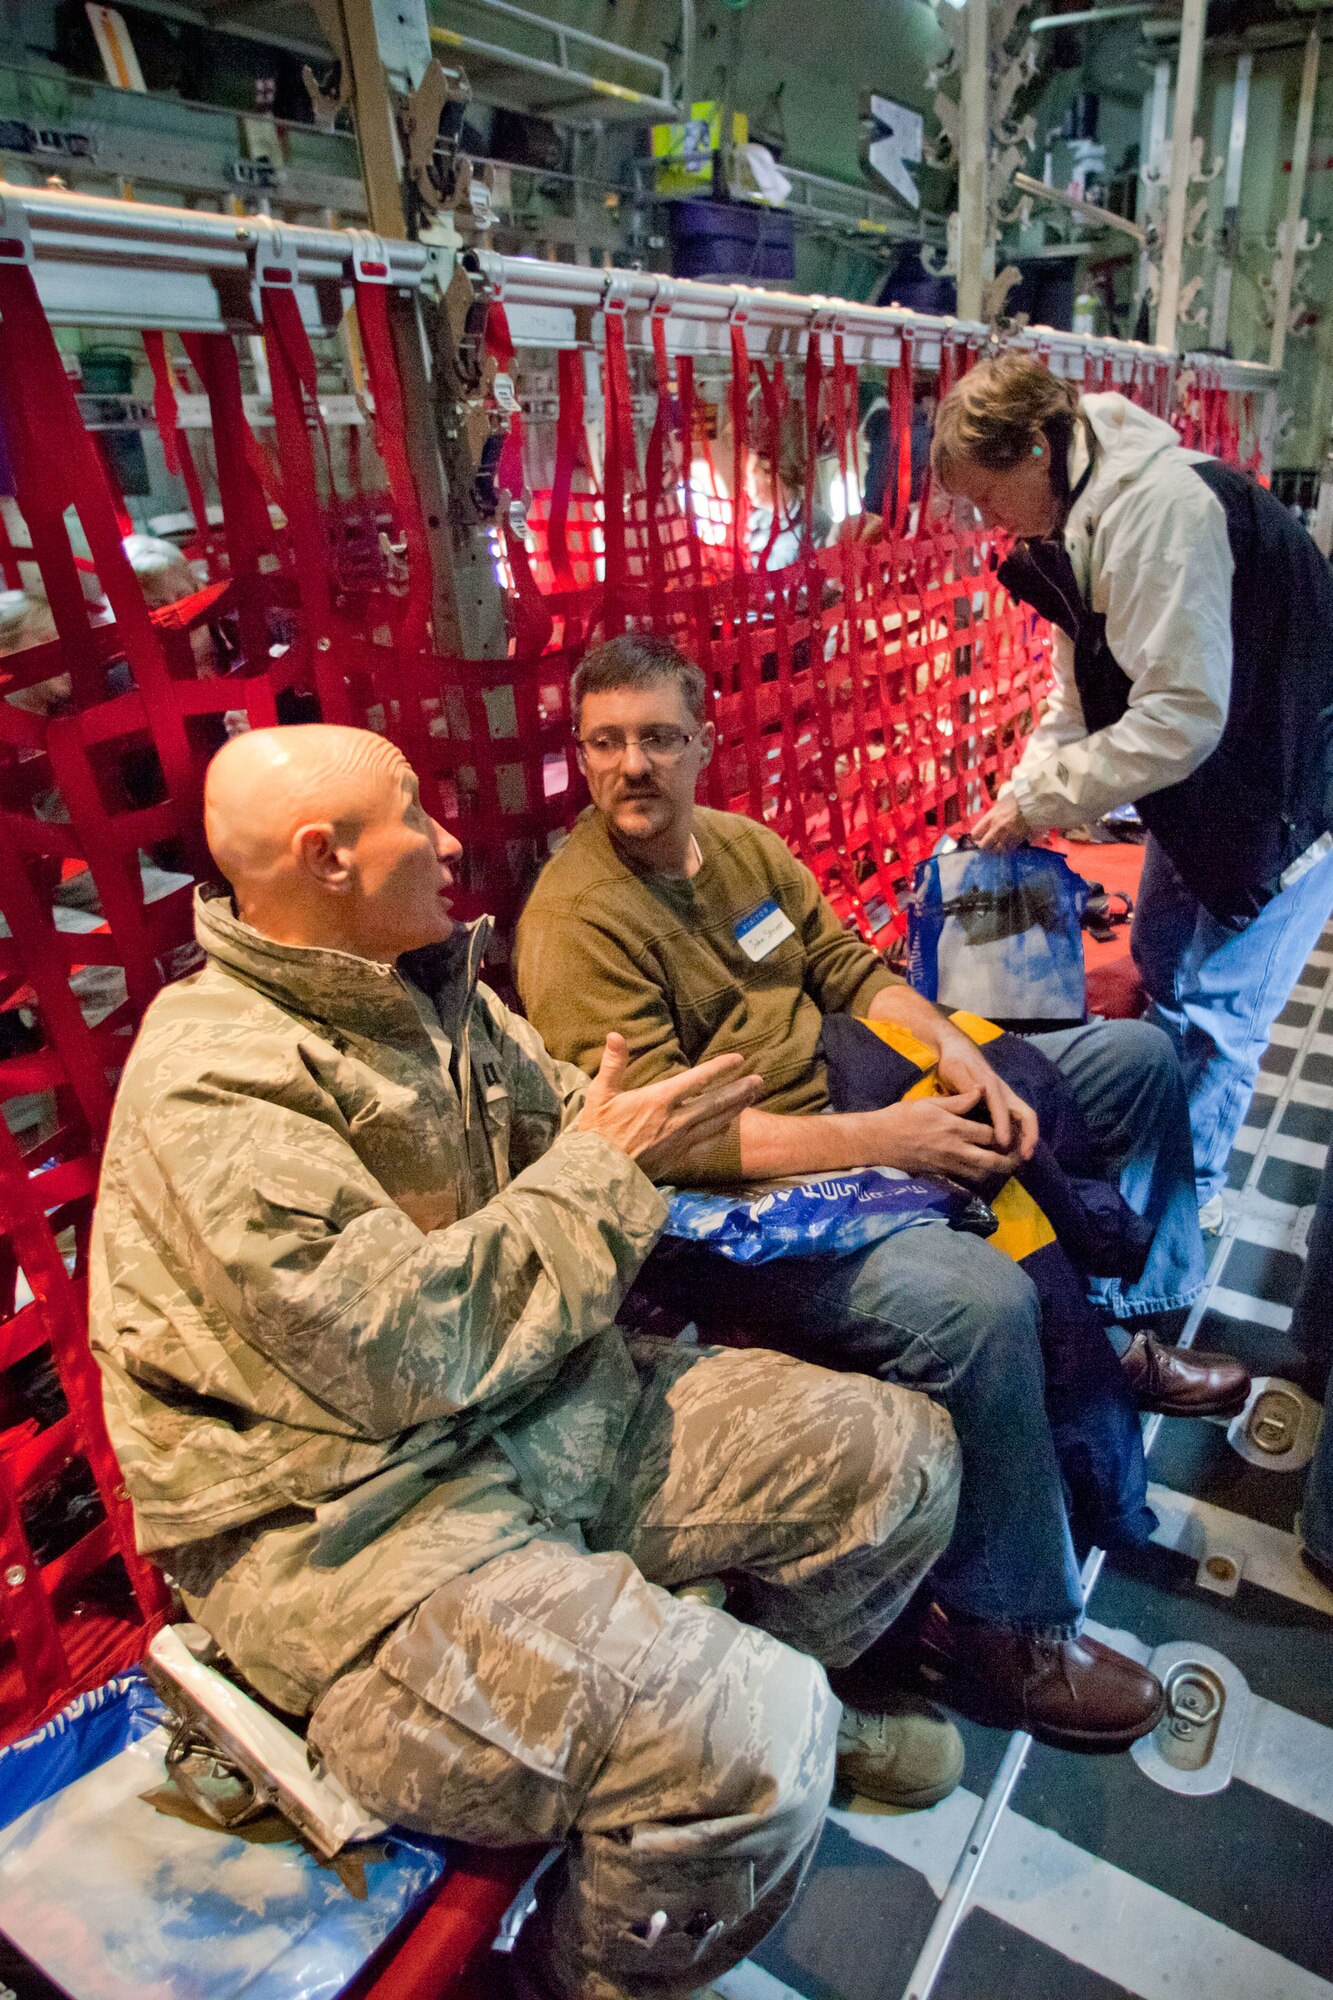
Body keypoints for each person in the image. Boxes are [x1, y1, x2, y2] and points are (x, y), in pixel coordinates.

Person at [89, 721, 968, 2000]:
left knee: (898, 1457)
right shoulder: (212, 1082)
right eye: (415, 815)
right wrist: (606, 1162)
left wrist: (661, 1129)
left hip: (544, 1414)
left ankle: (765, 1729)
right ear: (327, 858)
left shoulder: (421, 989)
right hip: (358, 1539)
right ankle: (578, 1968)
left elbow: (568, 1118)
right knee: (748, 1733)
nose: (449, 841)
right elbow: (404, 1345)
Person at [514, 635, 1250, 1750]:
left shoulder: (741, 849)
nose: (632, 765)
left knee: (1133, 1062)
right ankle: (1013, 1626)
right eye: (605, 742)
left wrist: (956, 1052)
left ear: (701, 745)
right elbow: (658, 1145)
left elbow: (849, 973)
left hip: (852, 1092)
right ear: (580, 755)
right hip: (740, 1210)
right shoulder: (579, 921)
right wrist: (887, 1139)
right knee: (979, 1300)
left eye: (657, 737)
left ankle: (1110, 1337)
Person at [931, 352, 1333, 1231]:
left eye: (987, 497)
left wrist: (1042, 803)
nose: (986, 520)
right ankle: (1154, 1160)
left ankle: (1182, 1207)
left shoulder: (1162, 512)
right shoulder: (1078, 525)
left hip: (1285, 802)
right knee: (1160, 970)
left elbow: (1181, 715)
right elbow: (1077, 697)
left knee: (1218, 1016)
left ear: (1035, 450)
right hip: (1200, 794)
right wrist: (1025, 794)